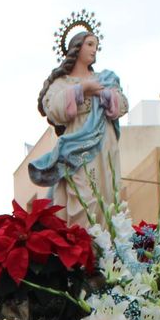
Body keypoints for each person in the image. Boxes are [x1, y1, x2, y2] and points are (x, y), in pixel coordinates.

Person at [28, 16, 127, 221]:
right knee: (83, 196)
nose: (94, 50)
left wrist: (105, 95)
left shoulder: (105, 79)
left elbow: (123, 104)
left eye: (96, 46)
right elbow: (52, 107)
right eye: (90, 44)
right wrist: (81, 89)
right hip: (77, 147)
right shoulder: (62, 83)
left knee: (107, 195)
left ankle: (106, 244)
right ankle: (82, 242)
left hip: (104, 143)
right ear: (77, 47)